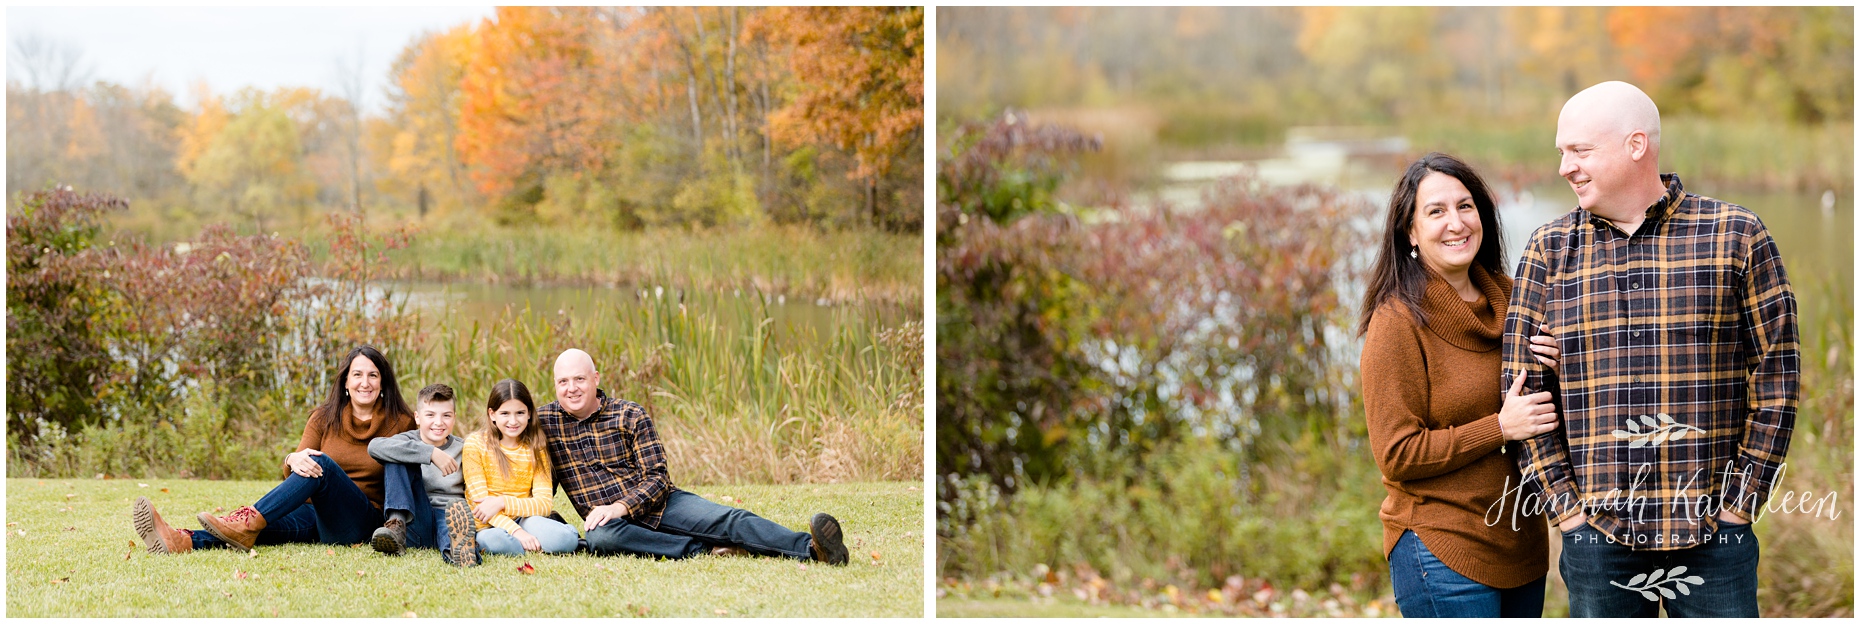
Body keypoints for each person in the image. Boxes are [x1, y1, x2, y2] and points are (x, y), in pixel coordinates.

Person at [1504, 81, 1798, 617]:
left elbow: (1778, 380)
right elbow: (1522, 392)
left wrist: (1740, 506)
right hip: (1598, 537)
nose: (1565, 167)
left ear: (1635, 145)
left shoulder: (1736, 235)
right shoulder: (1550, 249)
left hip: (1715, 536)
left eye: (1580, 150)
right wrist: (1568, 513)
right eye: (1561, 153)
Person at [1358, 153, 1563, 617]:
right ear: (1409, 232)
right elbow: (1397, 453)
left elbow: (1547, 414)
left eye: (1465, 206)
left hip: (1521, 543)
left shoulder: (1518, 300)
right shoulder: (1397, 322)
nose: (1456, 222)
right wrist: (1498, 428)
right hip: (1440, 549)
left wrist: (1559, 367)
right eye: (1436, 211)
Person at [535, 348, 849, 564]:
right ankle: (705, 549)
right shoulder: (545, 423)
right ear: (555, 385)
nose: (572, 388)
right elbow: (523, 469)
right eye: (563, 381)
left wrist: (619, 506)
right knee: (601, 539)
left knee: (730, 519)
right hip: (612, 526)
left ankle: (813, 549)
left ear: (596, 379)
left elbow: (657, 479)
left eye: (579, 379)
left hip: (661, 504)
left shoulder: (629, 414)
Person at [132, 345, 417, 553]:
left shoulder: (401, 422)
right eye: (357, 375)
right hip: (314, 516)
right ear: (345, 382)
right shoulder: (323, 417)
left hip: (360, 520)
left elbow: (420, 466)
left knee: (323, 465)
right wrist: (292, 458)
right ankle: (182, 540)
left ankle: (243, 519)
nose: (364, 383)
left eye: (372, 375)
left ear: (383, 383)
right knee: (259, 528)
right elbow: (297, 466)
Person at [458, 378, 581, 560]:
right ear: (492, 414)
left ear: (530, 413)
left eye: (520, 413)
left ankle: (544, 536)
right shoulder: (475, 445)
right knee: (499, 542)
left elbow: (544, 504)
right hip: (488, 524)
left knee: (567, 540)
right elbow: (482, 508)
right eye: (505, 413)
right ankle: (521, 544)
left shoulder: (536, 448)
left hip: (525, 519)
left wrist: (502, 502)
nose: (513, 421)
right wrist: (517, 533)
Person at [366, 383, 472, 566]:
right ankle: (396, 526)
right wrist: (430, 453)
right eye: (430, 415)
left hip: (449, 514)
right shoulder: (407, 440)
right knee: (397, 455)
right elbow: (374, 447)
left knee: (452, 525)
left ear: (454, 418)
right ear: (417, 417)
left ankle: (459, 552)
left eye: (446, 415)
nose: (439, 422)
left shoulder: (465, 448)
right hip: (414, 520)